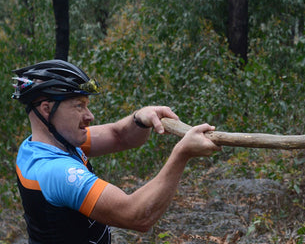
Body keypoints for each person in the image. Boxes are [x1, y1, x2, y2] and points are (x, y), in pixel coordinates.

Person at [12, 59, 221, 243]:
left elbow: (118, 136)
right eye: (79, 106)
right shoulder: (56, 171)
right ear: (47, 109)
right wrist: (182, 153)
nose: (90, 115)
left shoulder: (37, 147)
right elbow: (137, 215)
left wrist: (140, 118)